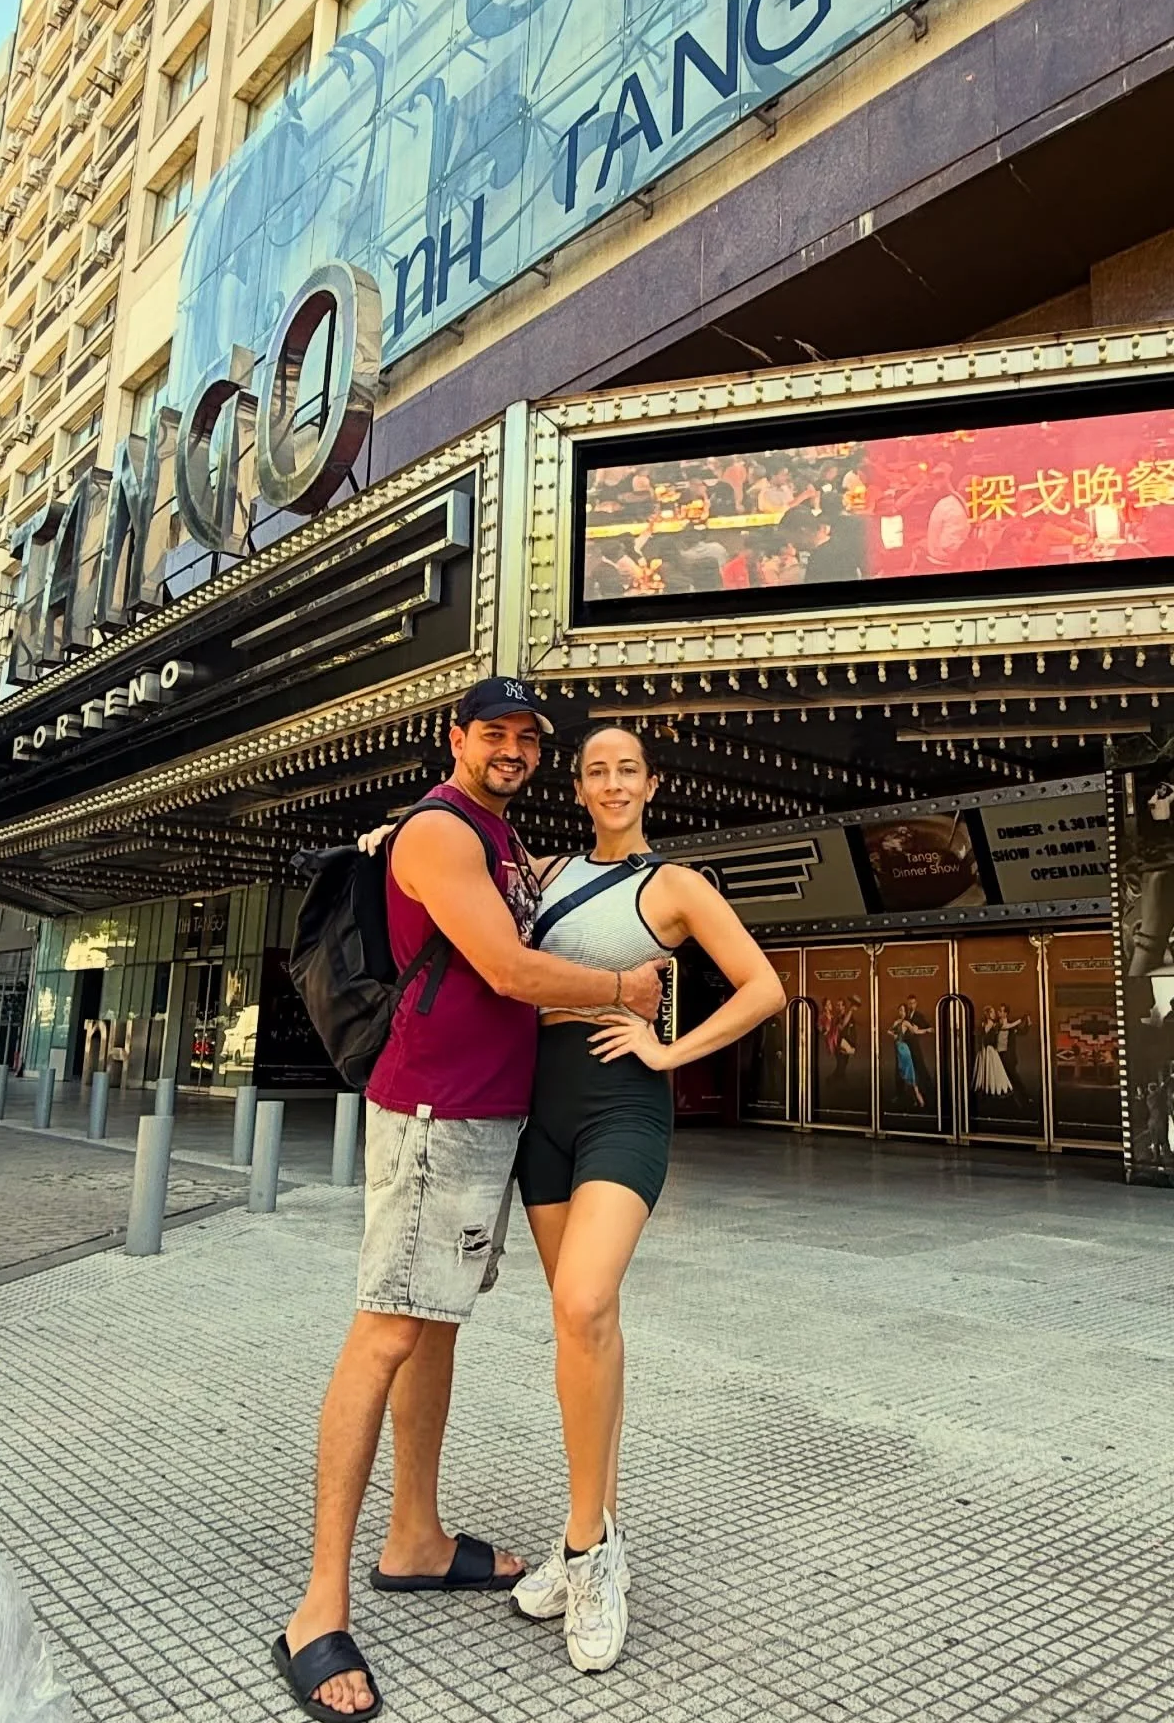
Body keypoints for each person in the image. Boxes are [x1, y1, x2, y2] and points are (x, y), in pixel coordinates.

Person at [275, 681, 667, 1722]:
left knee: (433, 1322)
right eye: (491, 732)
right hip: (436, 1114)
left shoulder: (496, 841)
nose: (511, 749)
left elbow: (524, 903)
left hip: (488, 1116)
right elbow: (503, 967)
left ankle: (416, 1538)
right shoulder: (445, 833)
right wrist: (624, 992)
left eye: (527, 738)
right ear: (454, 738)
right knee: (387, 1331)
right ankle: (316, 1608)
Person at [509, 725, 785, 1673]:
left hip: (623, 1107)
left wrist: (669, 1050)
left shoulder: (675, 885)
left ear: (651, 784)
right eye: (598, 771)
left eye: (630, 769)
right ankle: (596, 1533)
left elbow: (764, 987)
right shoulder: (540, 876)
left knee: (585, 1301)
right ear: (579, 789)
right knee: (580, 1326)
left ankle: (588, 1553)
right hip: (536, 1111)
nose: (614, 783)